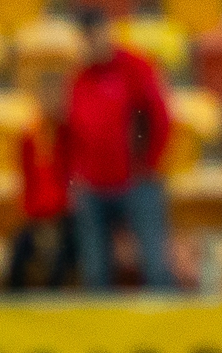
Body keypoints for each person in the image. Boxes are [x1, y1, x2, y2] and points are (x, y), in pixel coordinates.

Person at [64, 5, 173, 290]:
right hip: (93, 186)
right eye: (85, 38)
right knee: (95, 269)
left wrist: (148, 164)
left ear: (107, 32)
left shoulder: (135, 68)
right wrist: (76, 177)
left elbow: (160, 118)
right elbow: (73, 133)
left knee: (154, 263)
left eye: (94, 35)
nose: (91, 43)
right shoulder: (80, 77)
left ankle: (163, 311)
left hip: (135, 181)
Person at [6, 66, 77, 290]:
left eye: (56, 94)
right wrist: (38, 219)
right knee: (17, 257)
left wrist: (58, 215)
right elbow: (27, 183)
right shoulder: (30, 136)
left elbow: (73, 181)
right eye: (46, 94)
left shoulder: (72, 133)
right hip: (38, 216)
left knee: (64, 257)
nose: (51, 100)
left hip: (66, 217)